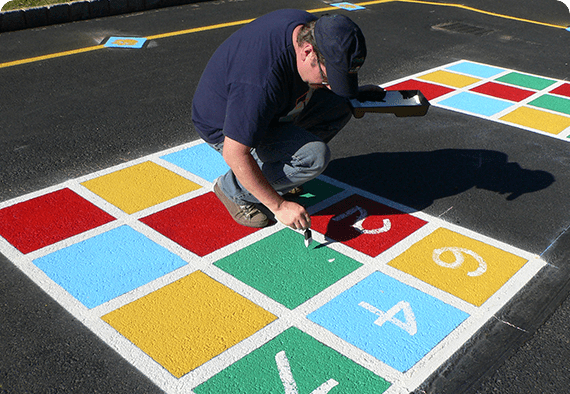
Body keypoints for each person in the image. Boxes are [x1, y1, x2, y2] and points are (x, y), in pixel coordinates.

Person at [192, 9, 368, 230]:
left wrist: (355, 93)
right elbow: (234, 152)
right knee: (313, 157)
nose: (330, 85)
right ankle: (231, 189)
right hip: (223, 126)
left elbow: (333, 86)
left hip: (269, 109)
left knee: (342, 104)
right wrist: (279, 205)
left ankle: (279, 171)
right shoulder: (259, 81)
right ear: (307, 52)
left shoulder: (311, 30)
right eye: (327, 78)